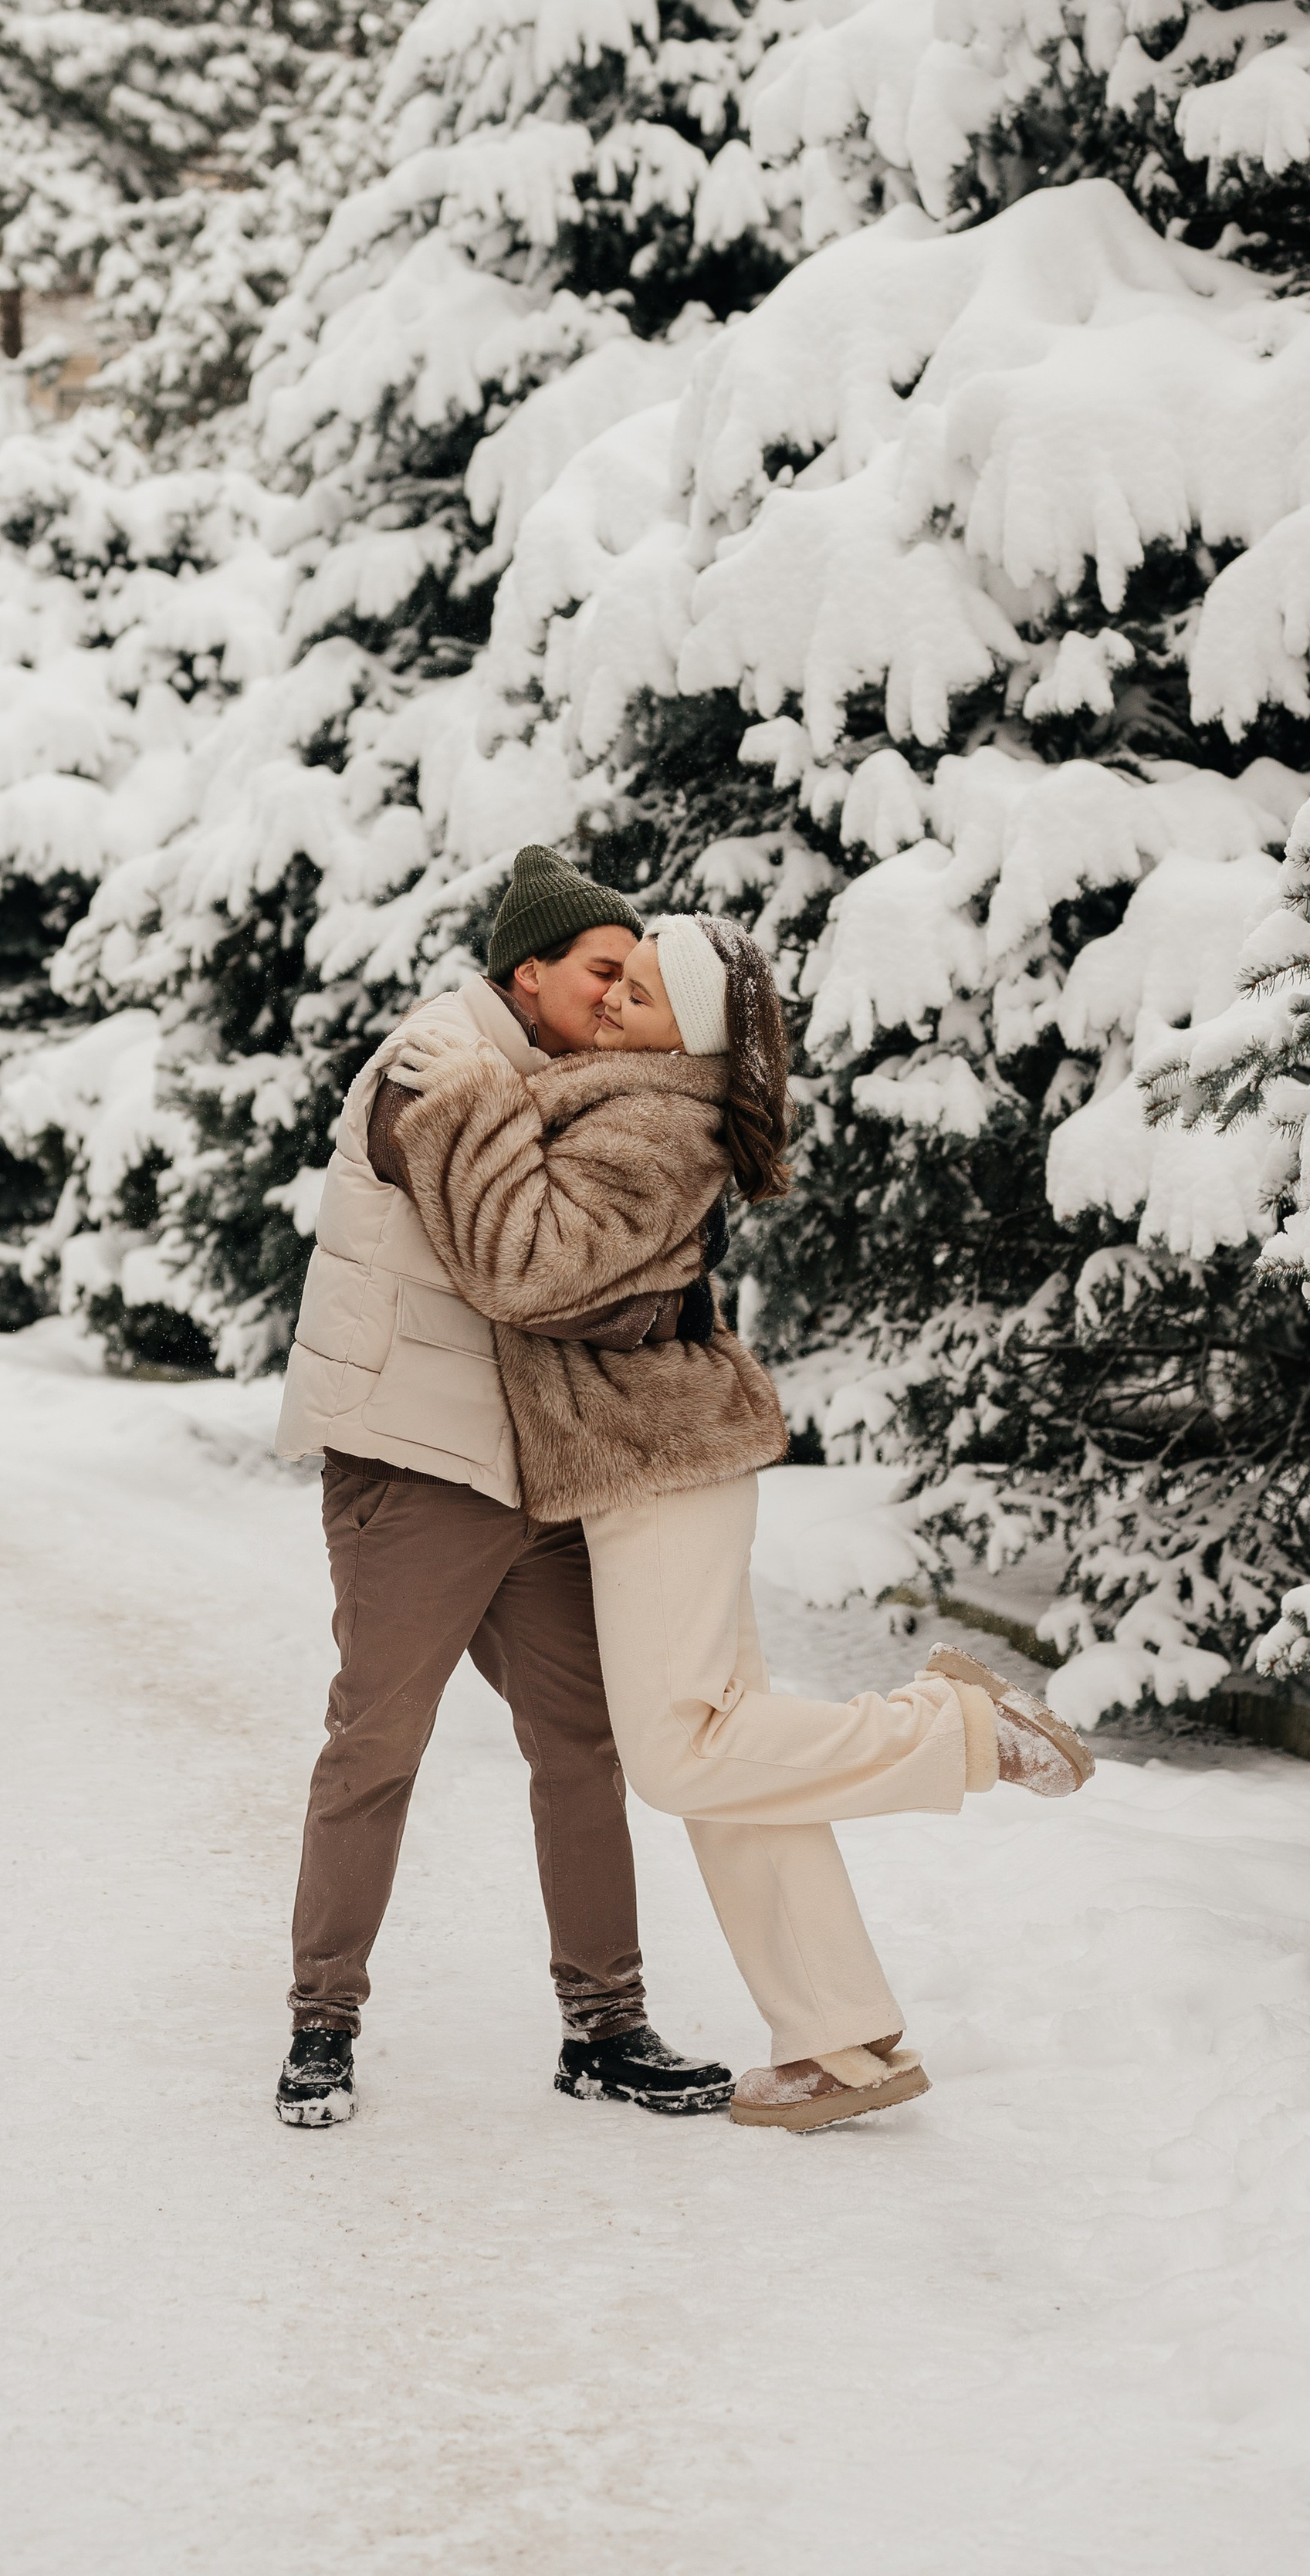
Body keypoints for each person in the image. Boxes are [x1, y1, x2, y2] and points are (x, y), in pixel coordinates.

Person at [391, 911, 1094, 2134]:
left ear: (689, 1043)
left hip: (661, 1458)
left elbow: (528, 1269)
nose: (613, 1003)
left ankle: (965, 1728)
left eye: (645, 1000)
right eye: (624, 980)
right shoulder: (621, 1094)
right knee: (733, 1771)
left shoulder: (657, 1122)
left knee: (679, 1756)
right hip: (644, 1459)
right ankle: (838, 2038)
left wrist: (469, 1105)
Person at [270, 845, 736, 2128]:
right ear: (525, 973)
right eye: (601, 972)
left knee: (581, 1744)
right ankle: (322, 2023)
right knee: (377, 1743)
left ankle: (606, 2027)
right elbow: (518, 1264)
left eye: (632, 977)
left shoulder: (542, 1074)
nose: (615, 995)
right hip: (418, 1471)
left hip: (529, 1475)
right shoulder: (431, 1068)